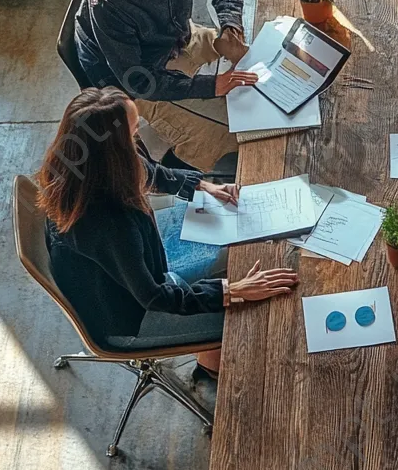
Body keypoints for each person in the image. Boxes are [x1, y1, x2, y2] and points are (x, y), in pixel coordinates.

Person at [38, 87, 298, 377]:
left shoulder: (75, 164)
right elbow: (154, 297)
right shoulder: (110, 225)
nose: (137, 138)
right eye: (132, 133)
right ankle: (211, 366)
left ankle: (210, 355)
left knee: (236, 250)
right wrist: (234, 291)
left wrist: (202, 186)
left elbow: (144, 169)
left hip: (127, 267)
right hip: (130, 315)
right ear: (115, 152)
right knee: (251, 279)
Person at [73, 0, 259, 173]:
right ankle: (176, 164)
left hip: (176, 37)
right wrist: (213, 86)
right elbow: (138, 81)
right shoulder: (111, 0)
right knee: (242, 135)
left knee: (259, 76)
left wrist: (230, 24)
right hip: (143, 78)